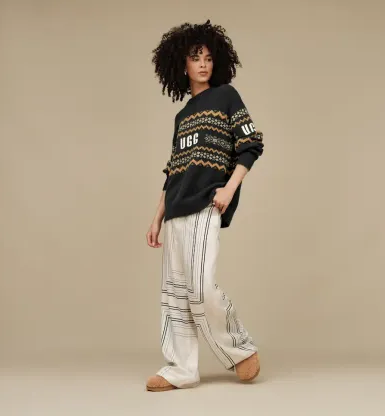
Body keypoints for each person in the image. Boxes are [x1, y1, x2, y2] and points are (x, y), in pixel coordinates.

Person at [145, 19, 264, 392]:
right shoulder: (182, 117)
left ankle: (239, 349)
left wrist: (228, 188)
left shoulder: (227, 96)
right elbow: (173, 170)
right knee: (176, 295)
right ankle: (181, 368)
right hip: (175, 211)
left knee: (199, 288)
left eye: (209, 58)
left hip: (206, 204)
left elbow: (251, 145)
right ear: (182, 64)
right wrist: (157, 217)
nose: (203, 64)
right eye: (196, 58)